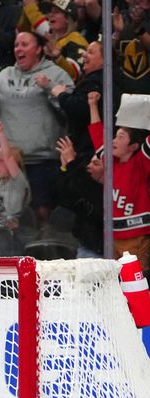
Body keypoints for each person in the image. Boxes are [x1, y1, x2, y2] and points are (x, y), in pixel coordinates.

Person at [0, 31, 74, 224]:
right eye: (16, 45)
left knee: (42, 214)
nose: (18, 49)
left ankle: (45, 254)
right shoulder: (4, 75)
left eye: (24, 45)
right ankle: (15, 254)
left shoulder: (56, 74)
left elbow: (70, 111)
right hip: (12, 162)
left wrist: (49, 88)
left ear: (38, 49)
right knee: (11, 218)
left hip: (44, 160)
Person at [88, 91, 150, 269]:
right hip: (113, 237)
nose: (113, 140)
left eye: (121, 137)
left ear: (133, 147)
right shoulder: (111, 163)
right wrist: (92, 105)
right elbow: (98, 135)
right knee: (116, 285)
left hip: (136, 237)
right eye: (115, 135)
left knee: (135, 282)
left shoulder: (141, 163)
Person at [19, 0, 88, 81]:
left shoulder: (76, 39)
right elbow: (22, 30)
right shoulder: (48, 37)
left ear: (67, 19)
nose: (50, 15)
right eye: (50, 12)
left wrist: (57, 56)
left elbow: (74, 74)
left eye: (56, 12)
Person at [0, 121, 32, 230]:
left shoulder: (18, 181)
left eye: (0, 161)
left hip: (12, 235)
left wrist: (0, 133)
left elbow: (8, 156)